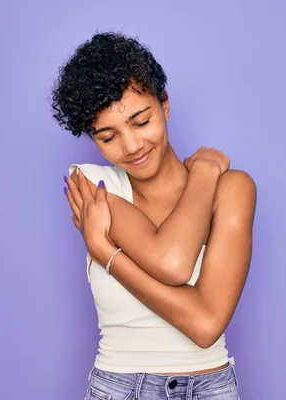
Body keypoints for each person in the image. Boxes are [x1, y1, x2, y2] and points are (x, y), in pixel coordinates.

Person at [52, 32, 256, 399]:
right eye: (108, 136)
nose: (132, 147)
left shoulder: (233, 188)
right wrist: (206, 172)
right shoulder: (93, 185)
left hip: (213, 388)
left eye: (141, 121)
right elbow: (174, 262)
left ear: (164, 105)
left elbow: (206, 325)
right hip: (121, 387)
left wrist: (107, 254)